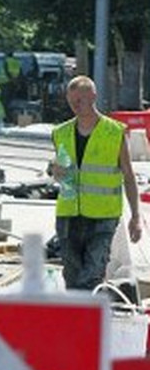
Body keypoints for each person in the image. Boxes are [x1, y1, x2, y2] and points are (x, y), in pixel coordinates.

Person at [49, 76, 141, 291]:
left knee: (91, 276)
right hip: (69, 215)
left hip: (103, 216)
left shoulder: (114, 132)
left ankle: (87, 319)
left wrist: (136, 217)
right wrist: (54, 170)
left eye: (80, 100)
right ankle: (77, 321)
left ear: (93, 96)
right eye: (72, 102)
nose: (76, 106)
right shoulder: (60, 133)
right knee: (72, 279)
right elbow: (58, 167)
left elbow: (128, 175)